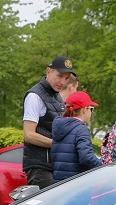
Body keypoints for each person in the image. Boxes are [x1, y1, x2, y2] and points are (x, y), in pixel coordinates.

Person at [22, 56, 76, 188]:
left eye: (66, 78)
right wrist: (59, 144)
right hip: (40, 167)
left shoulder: (56, 96)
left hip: (53, 165)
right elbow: (28, 135)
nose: (62, 81)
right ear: (48, 72)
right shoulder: (34, 96)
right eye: (59, 76)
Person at [51, 91, 102, 182]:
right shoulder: (81, 129)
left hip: (58, 185)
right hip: (76, 185)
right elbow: (87, 158)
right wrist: (103, 166)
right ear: (84, 110)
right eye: (91, 109)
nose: (91, 112)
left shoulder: (59, 128)